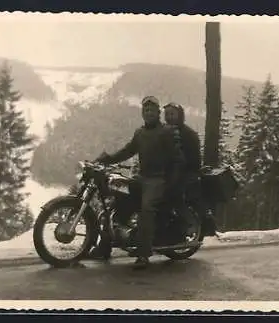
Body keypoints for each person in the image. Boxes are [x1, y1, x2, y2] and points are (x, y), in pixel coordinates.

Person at [93, 96, 184, 269]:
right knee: (119, 198)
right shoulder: (140, 133)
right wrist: (108, 159)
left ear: (158, 113)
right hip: (142, 177)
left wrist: (172, 183)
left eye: (152, 110)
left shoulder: (167, 132)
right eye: (145, 110)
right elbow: (128, 151)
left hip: (158, 179)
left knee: (147, 208)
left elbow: (177, 159)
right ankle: (105, 246)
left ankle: (144, 253)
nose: (148, 113)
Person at [162, 102, 218, 238]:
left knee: (174, 198)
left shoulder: (188, 134)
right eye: (167, 114)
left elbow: (193, 159)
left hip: (186, 174)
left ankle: (190, 224)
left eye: (172, 114)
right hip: (170, 174)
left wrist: (180, 170)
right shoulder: (165, 131)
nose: (169, 117)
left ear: (179, 115)